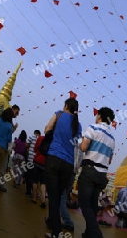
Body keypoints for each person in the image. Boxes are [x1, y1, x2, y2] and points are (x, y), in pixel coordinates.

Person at [44, 98, 81, 238]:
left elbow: (47, 128)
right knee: (58, 197)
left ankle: (56, 232)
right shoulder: (79, 125)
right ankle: (52, 223)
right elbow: (76, 144)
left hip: (54, 158)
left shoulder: (59, 114)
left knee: (53, 198)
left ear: (66, 106)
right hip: (68, 165)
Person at [78, 107, 115, 238]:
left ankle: (96, 234)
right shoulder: (112, 138)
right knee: (93, 205)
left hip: (89, 170)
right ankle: (89, 233)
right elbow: (110, 160)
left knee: (84, 203)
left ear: (99, 116)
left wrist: (80, 143)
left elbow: (83, 147)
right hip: (102, 175)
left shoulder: (93, 128)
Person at [32, 134, 47, 208]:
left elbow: (34, 149)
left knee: (35, 181)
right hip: (45, 164)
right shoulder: (52, 141)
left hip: (37, 161)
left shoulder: (40, 138)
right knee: (43, 183)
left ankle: (34, 198)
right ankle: (43, 200)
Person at [25, 130, 41, 197]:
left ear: (35, 133)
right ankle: (35, 192)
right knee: (35, 178)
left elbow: (26, 145)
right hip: (36, 161)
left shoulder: (32, 137)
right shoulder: (40, 139)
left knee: (28, 176)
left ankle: (28, 192)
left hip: (30, 160)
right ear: (39, 134)